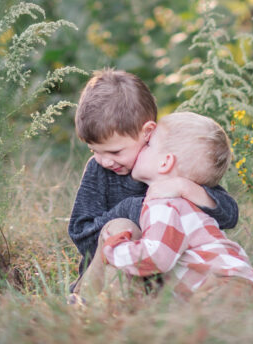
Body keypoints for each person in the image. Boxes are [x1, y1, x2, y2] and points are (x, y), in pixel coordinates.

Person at [68, 69, 239, 287]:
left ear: (147, 132)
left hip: (169, 284)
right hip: (106, 277)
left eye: (115, 152)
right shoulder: (99, 171)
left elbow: (229, 215)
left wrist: (184, 188)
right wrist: (135, 208)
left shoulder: (172, 166)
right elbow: (82, 236)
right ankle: (96, 305)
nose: (105, 161)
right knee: (122, 226)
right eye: (94, 151)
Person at [84, 110, 253, 303]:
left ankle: (96, 311)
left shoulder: (166, 203)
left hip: (225, 285)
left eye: (148, 145)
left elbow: (157, 257)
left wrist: (115, 249)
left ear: (165, 162)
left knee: (199, 321)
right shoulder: (185, 201)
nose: (142, 148)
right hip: (238, 283)